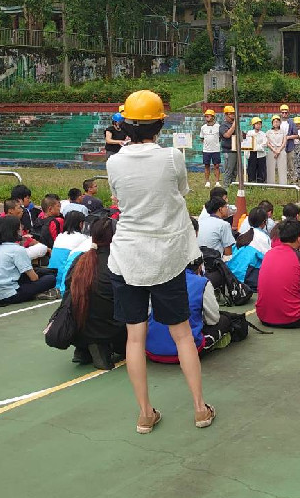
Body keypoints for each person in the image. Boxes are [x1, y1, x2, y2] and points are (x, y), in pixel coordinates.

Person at [107, 89, 213, 433]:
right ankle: (199, 408)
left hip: (127, 257)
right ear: (159, 125)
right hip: (165, 257)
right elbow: (180, 192)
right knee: (182, 336)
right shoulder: (171, 157)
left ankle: (144, 414)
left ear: (125, 125)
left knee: (134, 339)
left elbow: (119, 198)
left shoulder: (114, 161)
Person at [63, 218, 126, 370]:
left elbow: (67, 291)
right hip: (108, 329)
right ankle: (101, 344)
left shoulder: (81, 259)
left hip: (77, 326)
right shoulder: (118, 262)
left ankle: (84, 347)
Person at [146, 265, 233, 361]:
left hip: (151, 351)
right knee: (225, 320)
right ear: (199, 267)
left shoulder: (158, 281)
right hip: (184, 351)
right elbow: (213, 320)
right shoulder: (202, 282)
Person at [0, 216, 57, 304]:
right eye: (20, 227)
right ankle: (35, 294)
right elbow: (34, 278)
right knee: (50, 279)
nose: (22, 228)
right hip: (7, 295)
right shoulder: (17, 250)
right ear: (15, 231)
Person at [48, 211, 92, 292]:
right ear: (81, 224)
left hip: (51, 279)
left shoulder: (59, 236)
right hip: (64, 281)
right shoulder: (82, 238)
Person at [199, 109, 222, 188]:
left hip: (216, 150)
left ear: (213, 117)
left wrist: (215, 143)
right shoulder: (203, 127)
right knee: (206, 166)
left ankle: (217, 182)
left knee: (217, 166)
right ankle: (207, 182)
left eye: (208, 116)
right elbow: (202, 138)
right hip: (206, 150)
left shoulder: (218, 126)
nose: (206, 117)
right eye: (206, 116)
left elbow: (220, 137)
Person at [220, 105, 241, 186]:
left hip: (236, 150)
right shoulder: (223, 125)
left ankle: (232, 185)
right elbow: (227, 135)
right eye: (231, 114)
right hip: (228, 151)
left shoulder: (235, 125)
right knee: (229, 170)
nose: (233, 115)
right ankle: (226, 187)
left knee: (235, 171)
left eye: (233, 113)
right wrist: (234, 125)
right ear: (226, 115)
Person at [265, 115, 287, 185]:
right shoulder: (268, 132)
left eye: (277, 122)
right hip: (271, 150)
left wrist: (279, 150)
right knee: (270, 168)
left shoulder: (283, 131)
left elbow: (284, 142)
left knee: (282, 168)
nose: (276, 123)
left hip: (281, 150)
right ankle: (270, 184)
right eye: (274, 122)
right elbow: (267, 143)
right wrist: (274, 150)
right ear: (272, 123)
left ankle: (283, 184)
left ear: (280, 123)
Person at [246, 117, 267, 183]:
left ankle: (261, 185)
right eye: (257, 124)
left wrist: (256, 147)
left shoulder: (263, 134)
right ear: (253, 125)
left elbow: (264, 144)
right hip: (252, 154)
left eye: (260, 124)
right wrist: (257, 147)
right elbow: (249, 143)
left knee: (261, 171)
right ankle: (251, 185)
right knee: (251, 170)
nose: (258, 125)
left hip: (261, 155)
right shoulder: (249, 133)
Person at [279, 104, 296, 179]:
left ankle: (291, 180)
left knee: (290, 164)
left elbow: (296, 135)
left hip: (290, 146)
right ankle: (282, 179)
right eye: (282, 112)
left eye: (286, 112)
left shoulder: (291, 123)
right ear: (280, 113)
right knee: (281, 164)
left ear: (288, 113)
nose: (284, 114)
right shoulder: (277, 122)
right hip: (280, 146)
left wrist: (288, 137)